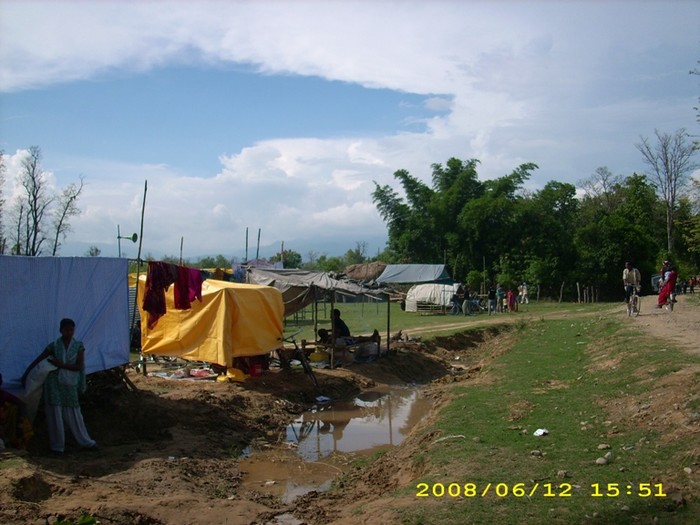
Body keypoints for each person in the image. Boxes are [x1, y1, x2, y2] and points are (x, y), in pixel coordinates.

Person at [21, 318, 97, 454]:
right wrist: (27, 373)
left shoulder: (78, 346)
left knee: (74, 411)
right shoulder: (54, 345)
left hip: (70, 383)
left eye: (71, 330)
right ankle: (57, 447)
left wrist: (61, 365)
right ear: (61, 331)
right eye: (66, 330)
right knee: (54, 412)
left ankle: (86, 442)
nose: (69, 333)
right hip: (54, 382)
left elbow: (79, 366)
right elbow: (39, 359)